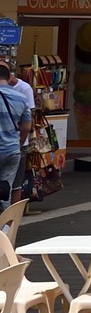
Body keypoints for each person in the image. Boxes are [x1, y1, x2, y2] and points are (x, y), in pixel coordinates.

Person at [0, 57, 32, 208]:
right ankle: (5, 229)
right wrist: (18, 144)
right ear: (8, 77)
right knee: (6, 190)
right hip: (12, 150)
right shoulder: (21, 98)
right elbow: (26, 127)